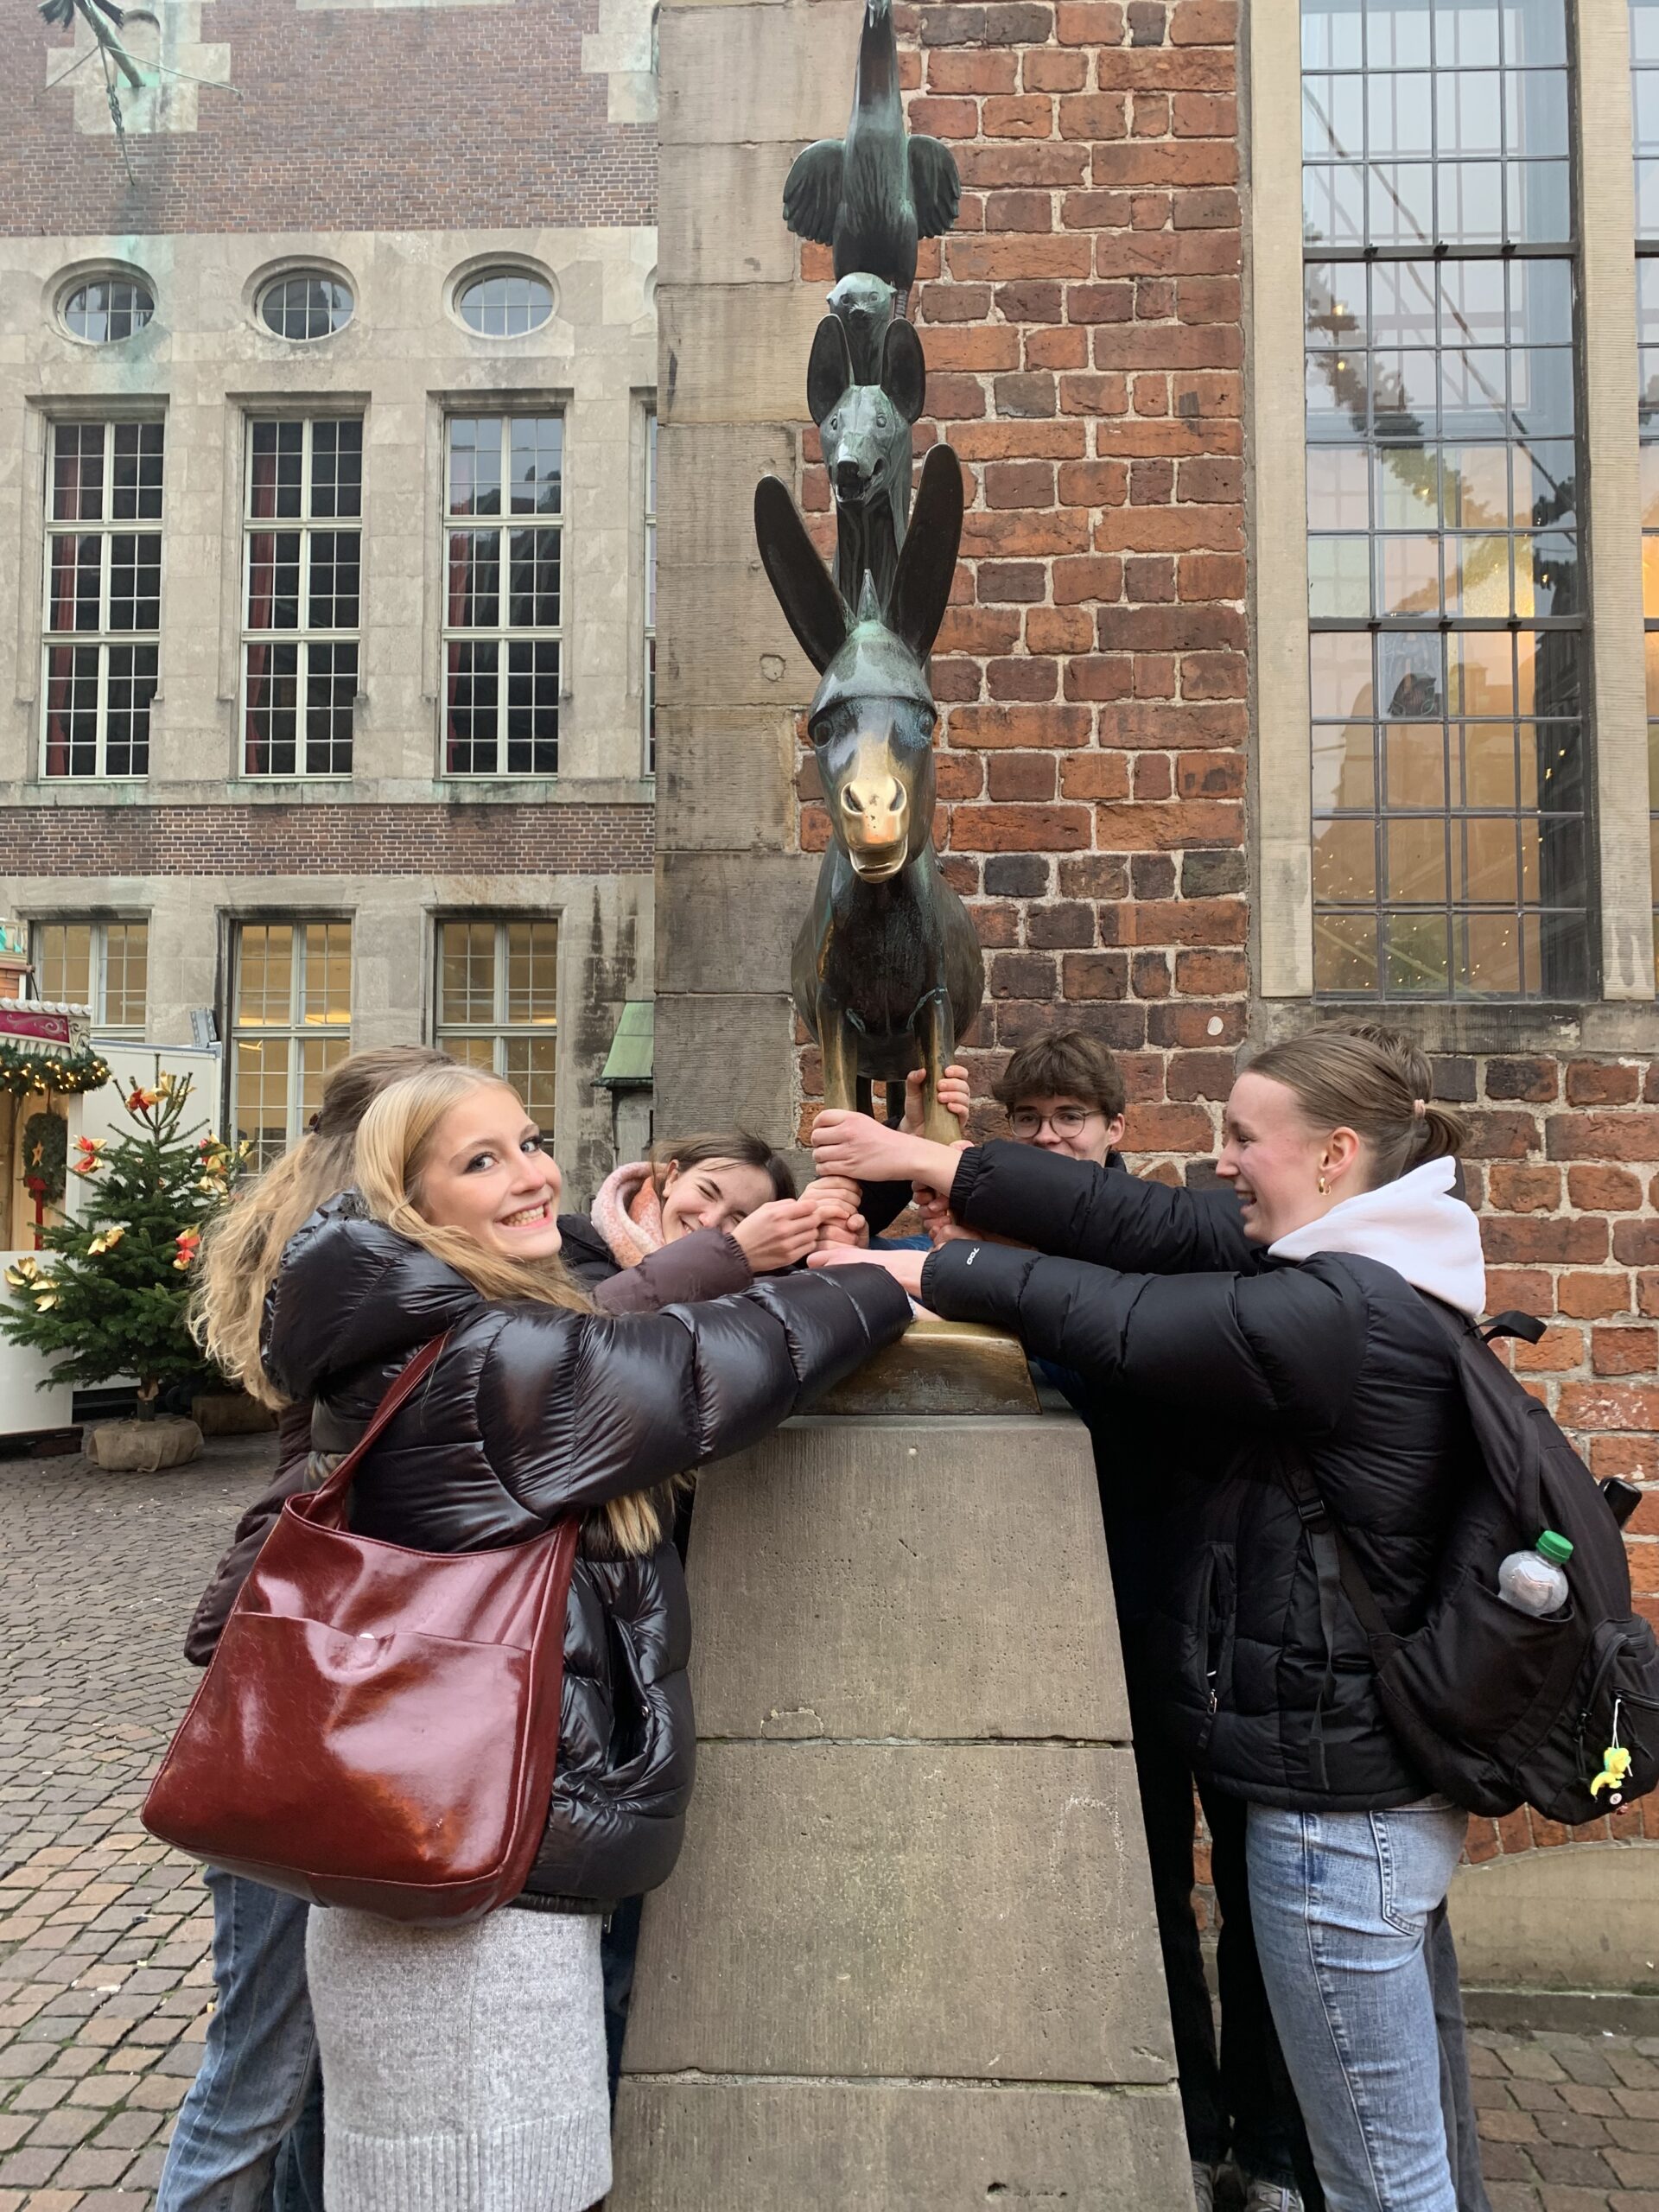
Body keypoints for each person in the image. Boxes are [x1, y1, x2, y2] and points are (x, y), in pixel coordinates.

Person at [810, 1023, 1490, 2212]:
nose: (1221, 1162)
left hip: (1336, 1805)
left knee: (1385, 2177)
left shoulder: (1343, 1306)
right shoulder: (1361, 1255)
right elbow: (1158, 1228)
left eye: (1242, 1138)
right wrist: (923, 1158)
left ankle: (1266, 2163)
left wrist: (928, 1271)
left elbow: (1126, 1318)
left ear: (1333, 1154)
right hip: (1330, 1764)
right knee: (1401, 2148)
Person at [260, 1061, 910, 2212]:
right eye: (482, 1161)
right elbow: (715, 1366)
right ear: (411, 1200)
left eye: (529, 1142)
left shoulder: (419, 1322)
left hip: (434, 1857)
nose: (534, 1175)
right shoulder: (490, 1359)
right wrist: (884, 1281)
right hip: (473, 1896)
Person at [918, 1031, 1313, 2212]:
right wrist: (925, 1148)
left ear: (1115, 1128)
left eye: (1071, 1117)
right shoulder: (993, 1238)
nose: (1051, 1136)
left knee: (1257, 1883)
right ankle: (1186, 2123)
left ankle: (1273, 2145)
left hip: (1217, 1606)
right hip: (1097, 1606)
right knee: (1142, 1876)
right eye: (1030, 1119)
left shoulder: (1184, 1237)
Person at [161, 1045, 454, 2212]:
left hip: (309, 1664)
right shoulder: (376, 1259)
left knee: (316, 2059)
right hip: (305, 1678)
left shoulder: (332, 1236)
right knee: (263, 2066)